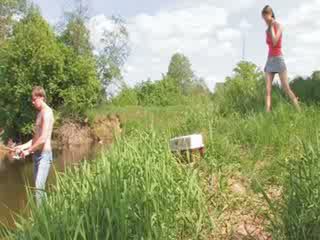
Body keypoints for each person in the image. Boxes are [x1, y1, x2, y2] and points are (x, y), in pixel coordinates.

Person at [14, 86, 54, 205]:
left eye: (34, 99)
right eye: (32, 99)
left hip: (44, 156)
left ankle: (42, 220)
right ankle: (46, 217)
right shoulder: (39, 114)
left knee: (38, 189)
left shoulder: (47, 113)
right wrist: (22, 147)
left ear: (41, 97)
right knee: (39, 189)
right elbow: (35, 139)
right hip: (37, 155)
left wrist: (28, 151)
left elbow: (43, 139)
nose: (32, 102)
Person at [262, 5, 300, 112]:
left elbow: (274, 41)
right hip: (270, 60)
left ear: (270, 15)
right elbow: (269, 45)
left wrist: (271, 27)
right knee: (268, 90)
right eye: (263, 19)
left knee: (286, 88)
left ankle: (299, 110)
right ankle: (267, 114)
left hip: (278, 59)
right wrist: (268, 28)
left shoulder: (279, 26)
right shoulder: (266, 30)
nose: (265, 21)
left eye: (266, 18)